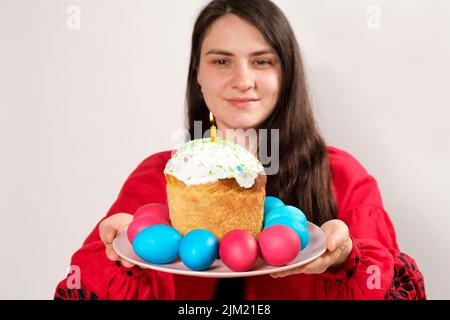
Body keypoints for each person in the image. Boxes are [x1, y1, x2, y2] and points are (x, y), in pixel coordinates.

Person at [54, 0, 426, 300]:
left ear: (287, 74)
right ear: (197, 74)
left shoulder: (341, 176)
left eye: (262, 61)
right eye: (221, 61)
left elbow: (398, 292)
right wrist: (120, 261)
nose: (242, 80)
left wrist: (346, 261)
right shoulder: (158, 176)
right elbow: (76, 290)